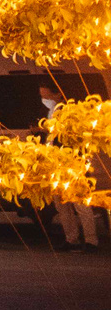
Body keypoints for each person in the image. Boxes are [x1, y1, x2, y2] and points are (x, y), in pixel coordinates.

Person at [40, 83, 101, 251]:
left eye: (46, 96)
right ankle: (71, 238)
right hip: (55, 165)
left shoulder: (69, 113)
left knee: (80, 204)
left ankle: (90, 240)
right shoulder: (51, 113)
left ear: (58, 95)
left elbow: (73, 138)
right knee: (62, 205)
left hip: (73, 165)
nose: (44, 100)